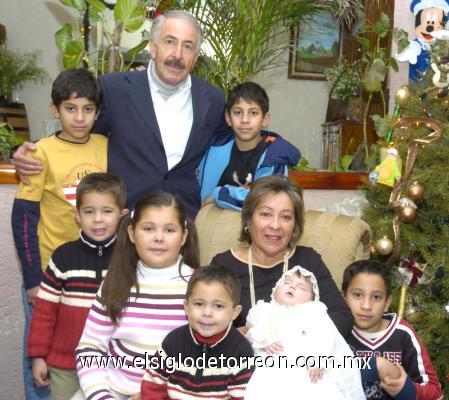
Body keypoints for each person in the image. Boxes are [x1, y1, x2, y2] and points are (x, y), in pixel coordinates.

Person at [12, 10, 229, 218]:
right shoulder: (113, 89)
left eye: (188, 46)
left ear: (196, 57)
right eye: (170, 42)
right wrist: (35, 150)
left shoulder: (213, 99)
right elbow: (80, 133)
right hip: (124, 219)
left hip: (182, 218)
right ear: (153, 47)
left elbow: (233, 143)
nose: (177, 54)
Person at [10, 68, 106, 400]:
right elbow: (23, 218)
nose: (79, 118)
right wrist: (33, 278)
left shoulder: (107, 147)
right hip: (50, 275)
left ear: (97, 112)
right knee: (40, 355)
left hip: (96, 273)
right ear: (55, 109)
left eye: (88, 109)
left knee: (89, 352)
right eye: (70, 108)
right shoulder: (40, 153)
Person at [74, 192, 199, 399]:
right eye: (148, 229)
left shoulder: (198, 287)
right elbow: (90, 348)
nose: (158, 237)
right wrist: (102, 396)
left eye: (169, 230)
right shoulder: (115, 283)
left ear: (184, 236)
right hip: (114, 391)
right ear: (132, 233)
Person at [211, 175, 354, 337]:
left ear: (295, 226)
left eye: (286, 217)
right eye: (265, 214)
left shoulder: (308, 261)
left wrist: (295, 335)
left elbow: (343, 318)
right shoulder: (223, 265)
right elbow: (207, 323)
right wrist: (236, 337)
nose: (275, 225)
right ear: (248, 221)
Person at [27, 173, 127, 399]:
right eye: (89, 212)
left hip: (111, 364)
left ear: (122, 215)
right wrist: (37, 356)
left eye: (107, 211)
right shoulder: (64, 257)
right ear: (77, 216)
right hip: (65, 364)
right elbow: (44, 312)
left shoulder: (128, 259)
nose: (98, 219)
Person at [244, 266, 365, 400]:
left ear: (312, 298)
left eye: (301, 287)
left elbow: (327, 336)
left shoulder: (313, 312)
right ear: (275, 289)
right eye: (286, 283)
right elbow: (251, 329)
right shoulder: (263, 310)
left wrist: (320, 357)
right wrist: (264, 341)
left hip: (307, 368)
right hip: (270, 368)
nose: (292, 287)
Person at [141, 265, 255, 399]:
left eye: (218, 306)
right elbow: (153, 385)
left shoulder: (240, 350)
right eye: (199, 304)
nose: (207, 313)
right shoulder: (173, 341)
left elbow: (242, 396)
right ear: (186, 307)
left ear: (234, 312)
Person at [342, 260, 443, 400]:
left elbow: (436, 394)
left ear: (387, 303)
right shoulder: (337, 331)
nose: (366, 306)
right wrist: (374, 366)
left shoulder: (403, 333)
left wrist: (408, 391)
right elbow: (314, 368)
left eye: (376, 297)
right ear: (344, 297)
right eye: (358, 295)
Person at [197, 81, 300, 211]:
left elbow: (265, 199)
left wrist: (218, 195)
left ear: (265, 119)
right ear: (228, 118)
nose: (245, 120)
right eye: (237, 112)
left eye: (253, 113)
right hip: (207, 224)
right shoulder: (213, 146)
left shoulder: (274, 156)